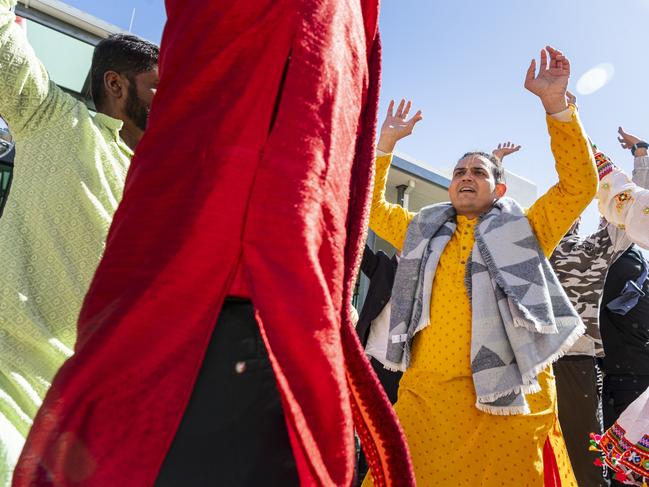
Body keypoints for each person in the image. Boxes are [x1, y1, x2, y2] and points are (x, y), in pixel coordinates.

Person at [13, 1, 415, 486]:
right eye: (159, 84)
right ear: (116, 86)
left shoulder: (348, 29)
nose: (168, 94)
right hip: (96, 366)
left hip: (280, 326)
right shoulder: (61, 126)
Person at [363, 45, 598, 486]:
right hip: (428, 398)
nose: (466, 176)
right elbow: (370, 208)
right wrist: (386, 146)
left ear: (499, 186)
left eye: (478, 171)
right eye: (459, 172)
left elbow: (578, 186)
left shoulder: (525, 231)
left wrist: (556, 108)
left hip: (509, 401)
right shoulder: (421, 230)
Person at [0, 2, 159, 484]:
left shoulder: (165, 190)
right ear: (116, 85)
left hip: (78, 429)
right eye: (160, 87)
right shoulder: (50, 117)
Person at [550, 123, 649, 487]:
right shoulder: (536, 246)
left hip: (576, 360)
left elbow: (635, 204)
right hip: (529, 365)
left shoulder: (599, 246)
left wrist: (574, 127)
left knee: (584, 458)